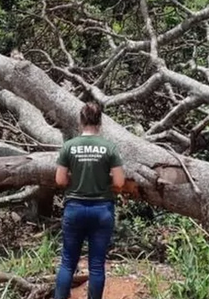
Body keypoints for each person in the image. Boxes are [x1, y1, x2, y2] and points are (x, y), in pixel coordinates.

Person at [53, 102, 125, 299]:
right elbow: (119, 182)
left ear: (81, 121)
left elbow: (59, 180)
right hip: (102, 210)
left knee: (68, 262)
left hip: (74, 208)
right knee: (96, 265)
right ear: (100, 122)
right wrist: (104, 182)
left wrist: (74, 178)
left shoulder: (69, 147)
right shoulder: (109, 148)